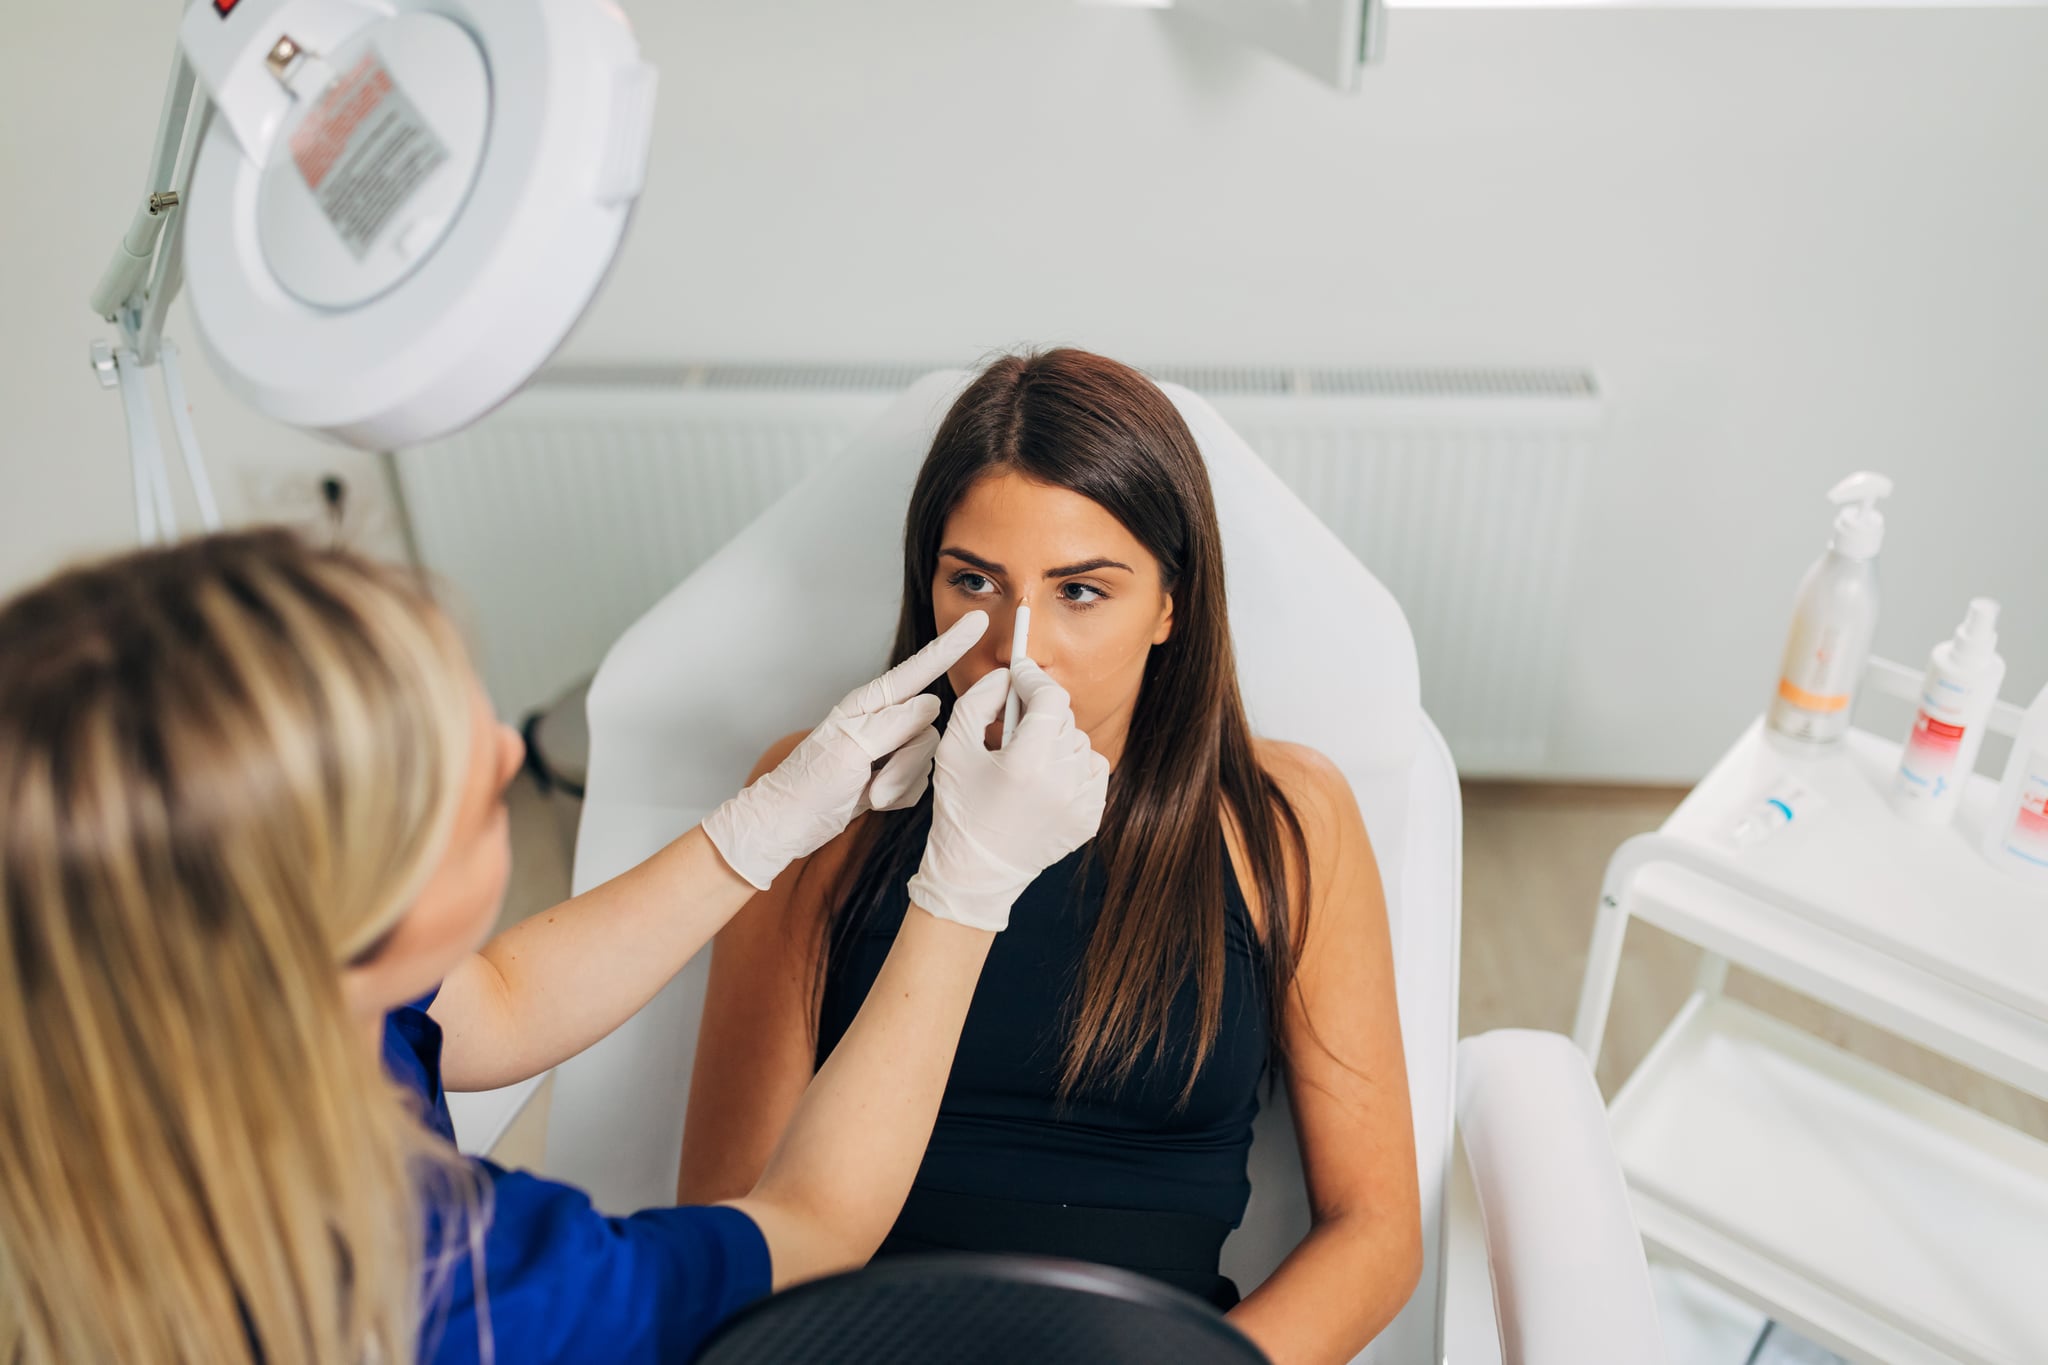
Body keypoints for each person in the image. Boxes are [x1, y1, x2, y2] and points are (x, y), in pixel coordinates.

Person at [0, 528, 1108, 1364]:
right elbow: (805, 1238)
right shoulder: (470, 1281)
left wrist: (756, 829)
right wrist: (965, 893)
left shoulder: (186, 985)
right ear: (340, 914)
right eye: (449, 786)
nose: (500, 748)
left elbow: (495, 1004)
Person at [681, 349, 1424, 1363]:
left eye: (1079, 591)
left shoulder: (1284, 820)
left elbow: (1376, 1232)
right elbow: (731, 1216)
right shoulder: (823, 800)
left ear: (1171, 605)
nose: (1015, 647)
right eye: (974, 581)